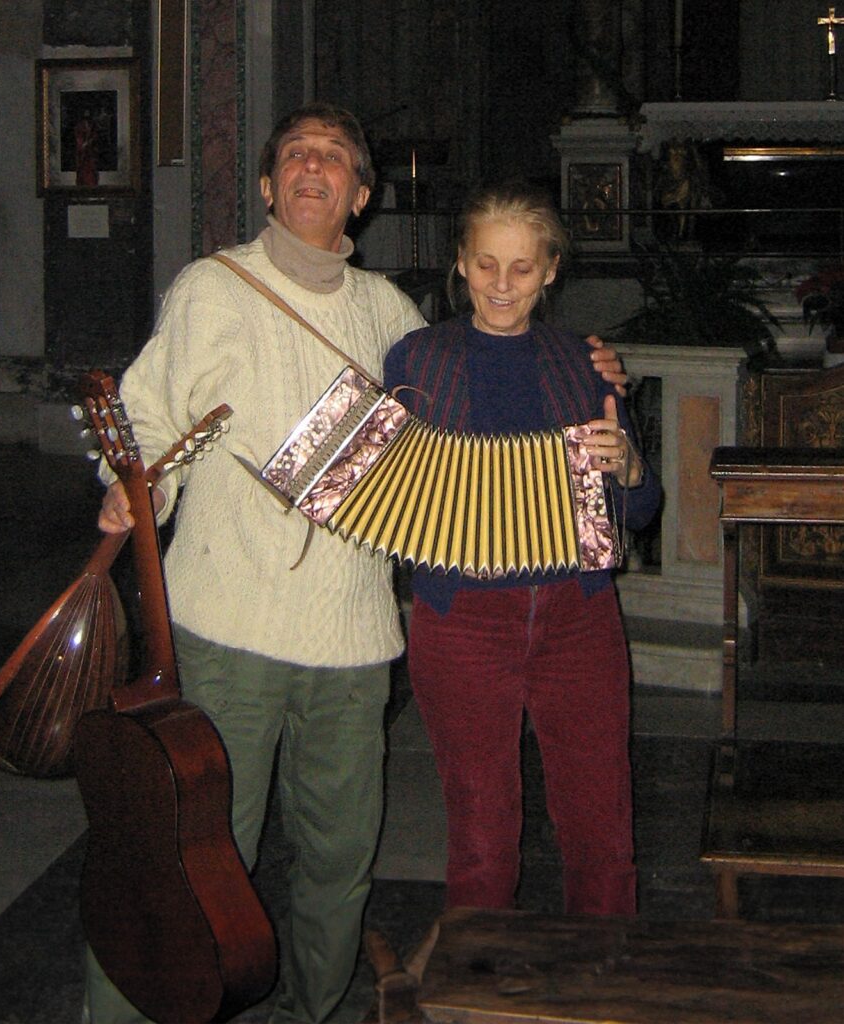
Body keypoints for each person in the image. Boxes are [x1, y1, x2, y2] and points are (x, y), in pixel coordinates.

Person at [88, 104, 628, 1024]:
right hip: (231, 619)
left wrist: (606, 406)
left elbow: (444, 454)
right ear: (266, 184)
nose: (312, 169)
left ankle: (314, 1011)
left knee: (340, 865)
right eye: (295, 156)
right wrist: (129, 486)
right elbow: (145, 417)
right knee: (198, 851)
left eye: (335, 159)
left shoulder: (392, 319)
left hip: (354, 634)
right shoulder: (210, 288)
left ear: (363, 197)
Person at [383, 180, 661, 918]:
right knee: (481, 837)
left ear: (551, 270)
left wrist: (630, 469)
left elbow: (639, 508)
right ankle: (480, 994)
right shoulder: (415, 361)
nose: (502, 285)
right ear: (461, 265)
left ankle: (601, 987)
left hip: (579, 614)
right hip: (463, 620)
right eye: (485, 265)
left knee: (603, 832)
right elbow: (380, 494)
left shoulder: (584, 362)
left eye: (522, 268)